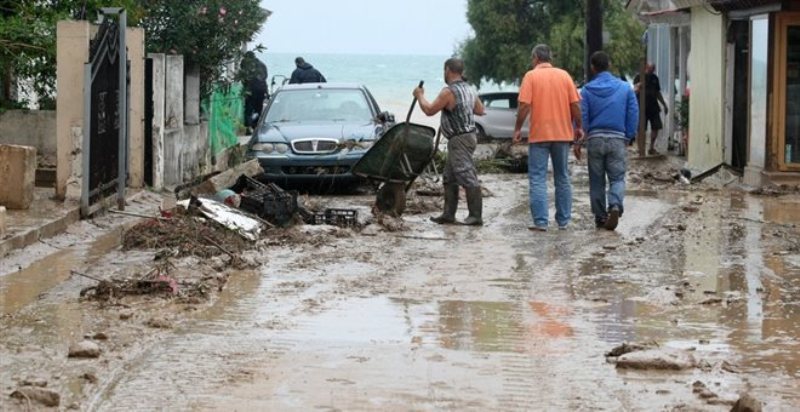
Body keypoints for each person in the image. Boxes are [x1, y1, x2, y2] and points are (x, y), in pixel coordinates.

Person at [513, 44, 583, 231]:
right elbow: (575, 105)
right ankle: (563, 221)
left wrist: (518, 128)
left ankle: (541, 222)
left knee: (537, 178)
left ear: (535, 57)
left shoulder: (531, 76)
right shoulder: (564, 75)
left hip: (539, 135)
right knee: (562, 177)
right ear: (549, 58)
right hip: (562, 134)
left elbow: (524, 106)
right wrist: (579, 126)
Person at [413, 57, 486, 226]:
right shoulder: (469, 89)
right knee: (449, 176)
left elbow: (429, 110)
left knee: (466, 174)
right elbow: (480, 110)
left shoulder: (448, 92)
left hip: (459, 138)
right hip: (468, 136)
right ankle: (448, 214)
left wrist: (419, 96)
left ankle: (476, 216)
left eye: (444, 71)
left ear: (448, 70)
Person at [577, 51, 639, 231]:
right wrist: (629, 135)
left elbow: (583, 116)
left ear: (592, 67)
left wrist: (584, 136)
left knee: (596, 180)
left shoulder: (587, 90)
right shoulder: (625, 88)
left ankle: (600, 217)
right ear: (609, 65)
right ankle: (615, 205)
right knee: (617, 178)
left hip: (595, 139)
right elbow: (633, 113)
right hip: (618, 138)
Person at [633, 63, 669, 155]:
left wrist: (664, 104)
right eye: (650, 68)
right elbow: (634, 90)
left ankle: (651, 147)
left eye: (653, 69)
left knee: (656, 127)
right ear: (646, 68)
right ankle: (640, 148)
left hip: (653, 107)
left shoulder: (655, 78)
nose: (652, 70)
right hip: (642, 107)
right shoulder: (639, 77)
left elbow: (657, 93)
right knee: (641, 129)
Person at [240, 51, 268, 129]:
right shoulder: (262, 64)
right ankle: (255, 125)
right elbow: (265, 77)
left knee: (249, 108)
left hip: (250, 89)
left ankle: (248, 126)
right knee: (258, 108)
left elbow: (244, 77)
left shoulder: (245, 64)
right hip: (261, 89)